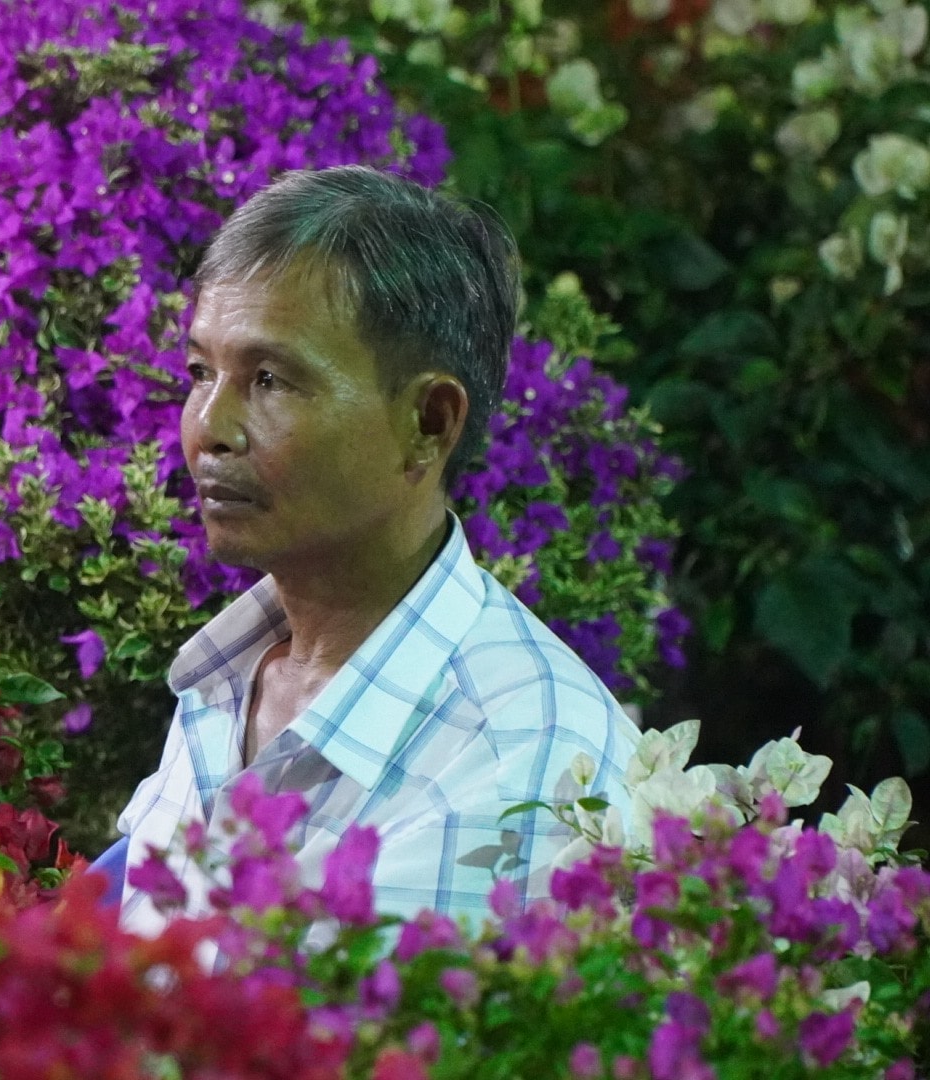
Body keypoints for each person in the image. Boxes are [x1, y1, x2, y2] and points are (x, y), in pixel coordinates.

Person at [108, 166, 640, 936]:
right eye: (200, 373)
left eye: (269, 380)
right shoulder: (223, 684)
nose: (207, 428)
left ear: (430, 420)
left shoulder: (534, 761)